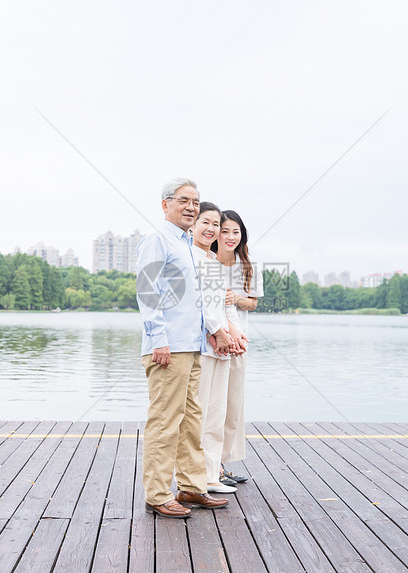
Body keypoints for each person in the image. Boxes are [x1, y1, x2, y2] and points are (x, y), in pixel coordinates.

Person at [135, 178, 230, 519]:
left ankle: (191, 485)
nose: (191, 207)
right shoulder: (157, 240)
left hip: (191, 346)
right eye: (184, 200)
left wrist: (212, 331)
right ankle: (157, 494)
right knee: (165, 420)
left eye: (196, 201)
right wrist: (159, 338)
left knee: (192, 419)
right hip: (167, 347)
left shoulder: (190, 246)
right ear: (166, 204)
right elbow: (148, 293)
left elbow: (197, 301)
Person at [191, 201, 243, 494]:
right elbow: (203, 307)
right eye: (206, 223)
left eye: (215, 225)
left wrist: (234, 333)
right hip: (204, 347)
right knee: (198, 414)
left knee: (216, 413)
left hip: (221, 347)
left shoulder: (212, 263)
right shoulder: (190, 258)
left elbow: (223, 303)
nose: (211, 229)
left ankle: (211, 475)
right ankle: (194, 478)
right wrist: (219, 332)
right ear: (194, 225)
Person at [211, 209, 263, 484]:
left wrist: (234, 299)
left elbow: (253, 303)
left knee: (232, 403)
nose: (230, 237)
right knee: (211, 405)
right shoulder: (206, 260)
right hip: (212, 341)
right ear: (215, 233)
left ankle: (221, 463)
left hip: (239, 342)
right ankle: (211, 466)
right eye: (225, 230)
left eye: (236, 231)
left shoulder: (248, 264)